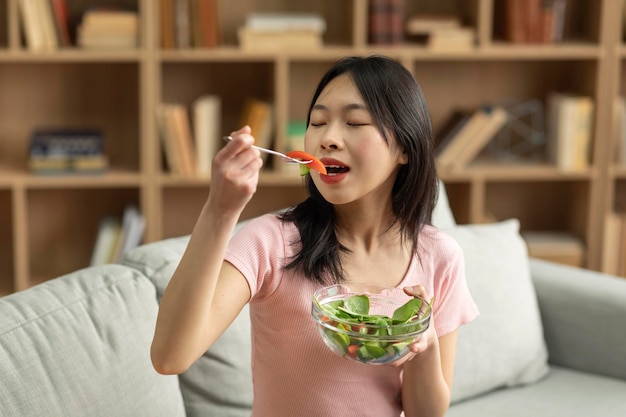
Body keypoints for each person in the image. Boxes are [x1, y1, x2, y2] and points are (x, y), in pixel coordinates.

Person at [151, 54, 479, 417]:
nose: (328, 138)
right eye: (317, 122)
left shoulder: (439, 256)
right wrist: (220, 210)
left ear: (404, 147)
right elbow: (170, 357)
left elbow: (427, 414)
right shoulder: (271, 242)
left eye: (354, 122)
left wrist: (425, 343)